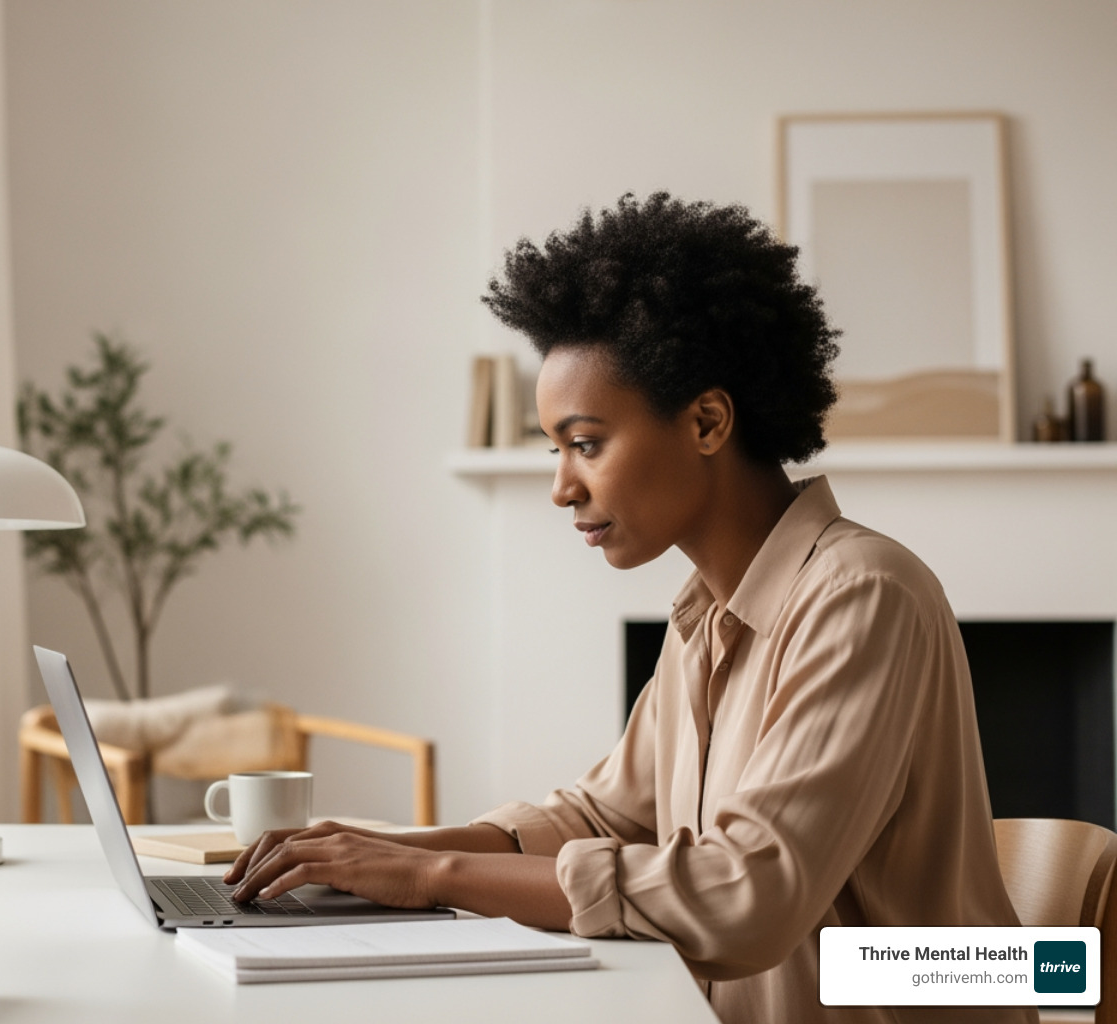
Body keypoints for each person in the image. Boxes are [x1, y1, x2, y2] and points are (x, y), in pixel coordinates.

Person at [225, 193, 1031, 1024]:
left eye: (586, 444)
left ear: (707, 421)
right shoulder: (705, 621)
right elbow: (598, 815)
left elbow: (746, 897)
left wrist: (431, 877)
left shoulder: (863, 595)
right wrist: (377, 853)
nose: (561, 487)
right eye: (555, 449)